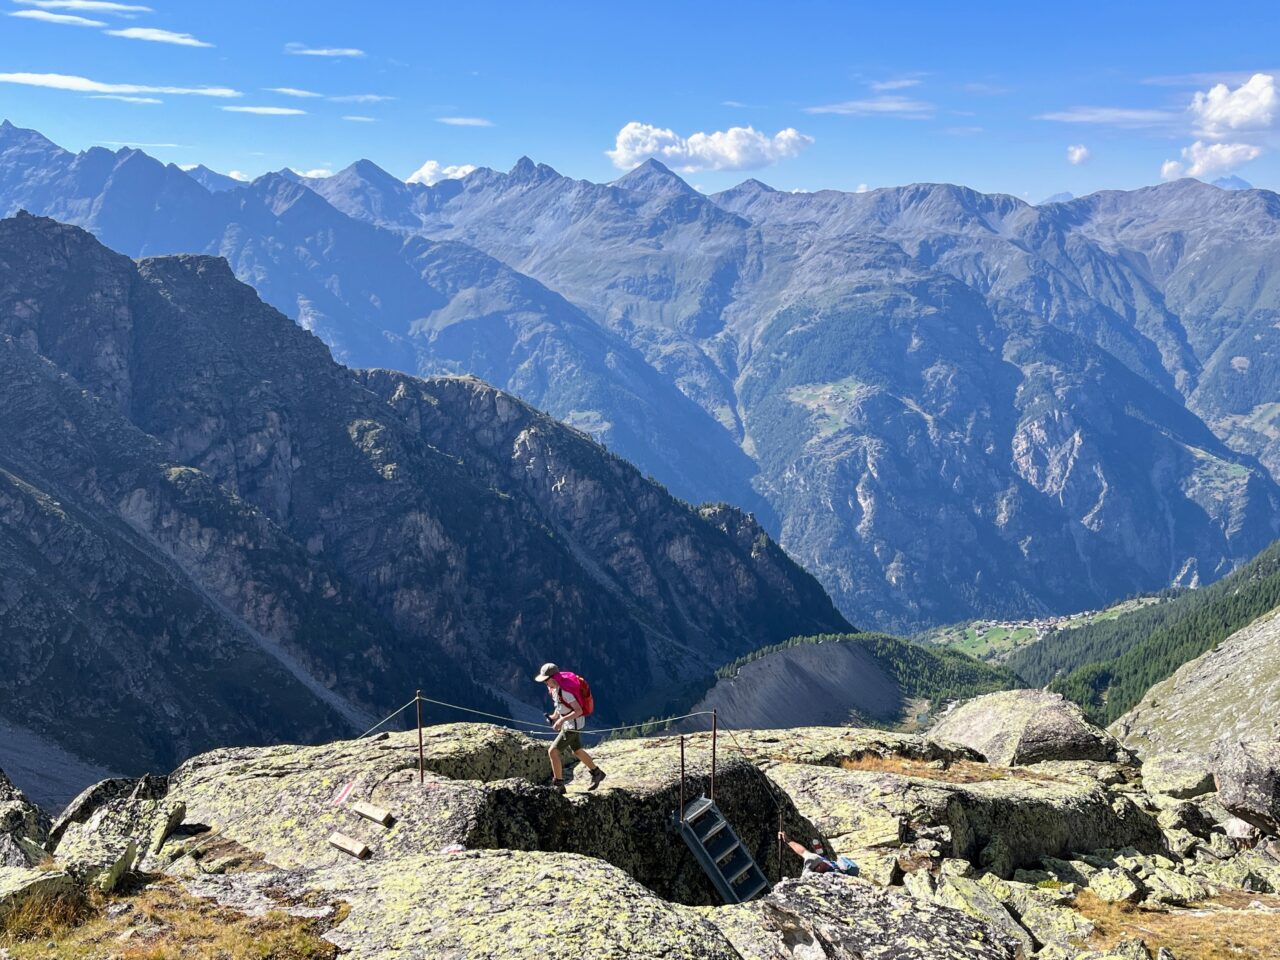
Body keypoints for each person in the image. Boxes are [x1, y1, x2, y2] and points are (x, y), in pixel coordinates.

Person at [535, 662, 606, 794]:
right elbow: (560, 705)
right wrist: (554, 716)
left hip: (572, 726)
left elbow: (578, 710)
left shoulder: (565, 691)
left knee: (553, 752)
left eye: (546, 680)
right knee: (577, 751)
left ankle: (559, 785)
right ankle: (597, 773)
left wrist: (561, 720)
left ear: (554, 678)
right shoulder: (554, 689)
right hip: (571, 724)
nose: (545, 683)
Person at [778, 831, 857, 875]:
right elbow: (802, 851)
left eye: (815, 868)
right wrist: (788, 840)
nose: (816, 870)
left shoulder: (833, 874)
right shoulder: (816, 859)